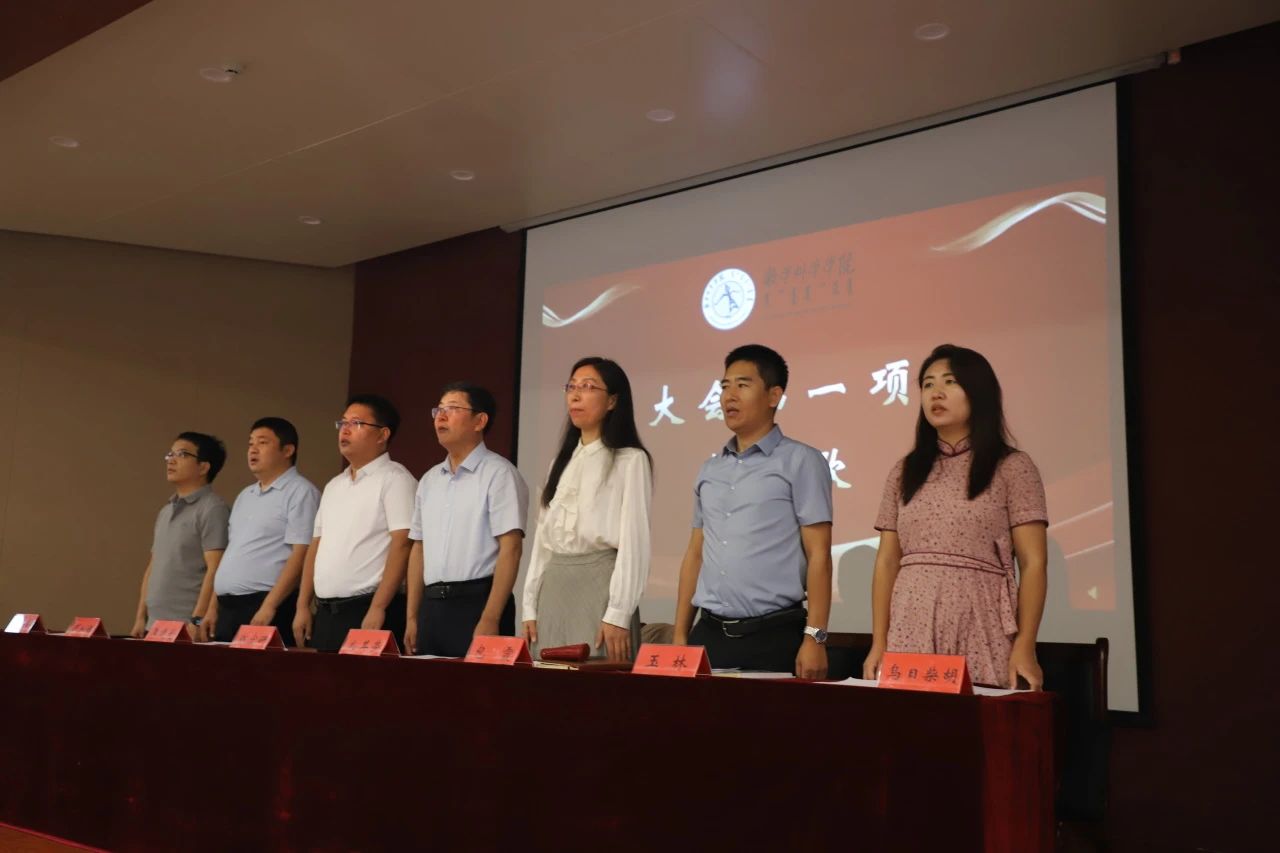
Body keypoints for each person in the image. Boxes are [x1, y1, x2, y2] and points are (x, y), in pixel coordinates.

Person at [862, 344, 1049, 689]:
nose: (936, 392)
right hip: (910, 621)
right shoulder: (904, 471)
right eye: (928, 384)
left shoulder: (1013, 467)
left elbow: (1033, 563)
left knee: (974, 718)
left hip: (980, 618)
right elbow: (887, 562)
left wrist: (1026, 645)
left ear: (978, 392)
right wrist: (879, 641)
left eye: (950, 382)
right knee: (910, 719)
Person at [673, 344, 834, 677]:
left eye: (742, 385)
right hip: (708, 636)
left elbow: (819, 554)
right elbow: (695, 554)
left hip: (773, 636)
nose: (729, 396)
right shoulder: (710, 470)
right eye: (725, 386)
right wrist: (679, 636)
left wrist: (815, 638)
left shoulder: (801, 461)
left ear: (774, 395)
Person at [521, 357, 652, 662]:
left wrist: (618, 612)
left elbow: (634, 544)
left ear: (612, 401)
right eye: (571, 387)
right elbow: (542, 544)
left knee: (598, 681)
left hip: (600, 590)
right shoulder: (559, 464)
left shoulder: (630, 460)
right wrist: (529, 606)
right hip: (553, 590)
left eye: (588, 387)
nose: (576, 395)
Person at [405, 383, 529, 657]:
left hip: (477, 604)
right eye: (438, 409)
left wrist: (491, 617)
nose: (441, 416)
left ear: (479, 421)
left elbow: (511, 548)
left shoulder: (500, 474)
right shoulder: (429, 480)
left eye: (452, 408)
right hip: (432, 606)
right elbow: (418, 548)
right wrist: (412, 616)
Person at [293, 395, 416, 652]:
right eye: (342, 423)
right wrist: (303, 605)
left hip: (368, 609)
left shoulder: (395, 479)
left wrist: (378, 607)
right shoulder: (334, 485)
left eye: (356, 423)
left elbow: (402, 544)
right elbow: (316, 546)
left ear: (382, 434)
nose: (345, 430)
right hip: (326, 612)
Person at [203, 417, 319, 645]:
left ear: (287, 450)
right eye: (250, 443)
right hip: (227, 607)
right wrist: (212, 608)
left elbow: (302, 554)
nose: (253, 449)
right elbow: (232, 553)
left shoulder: (301, 492)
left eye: (263, 442)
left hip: (267, 605)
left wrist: (269, 606)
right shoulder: (245, 495)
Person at [130, 432, 230, 638]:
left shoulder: (212, 508)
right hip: (154, 624)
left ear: (203, 467)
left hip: (186, 626)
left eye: (182, 454)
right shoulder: (166, 510)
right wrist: (141, 617)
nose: (171, 460)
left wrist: (197, 619)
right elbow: (153, 566)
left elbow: (216, 568)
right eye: (170, 454)